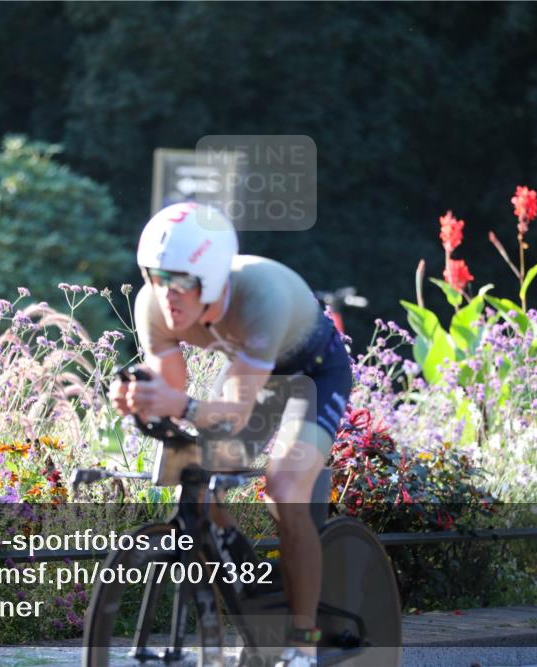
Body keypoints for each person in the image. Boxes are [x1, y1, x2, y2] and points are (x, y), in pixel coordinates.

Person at [108, 202, 353, 667]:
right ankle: (256, 591)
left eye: (179, 281)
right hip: (253, 372)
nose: (166, 295)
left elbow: (234, 413)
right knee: (199, 474)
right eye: (155, 277)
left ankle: (303, 643)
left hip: (314, 375)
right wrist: (133, 392)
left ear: (214, 278)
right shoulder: (152, 304)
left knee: (284, 487)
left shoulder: (260, 296)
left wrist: (177, 404)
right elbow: (173, 386)